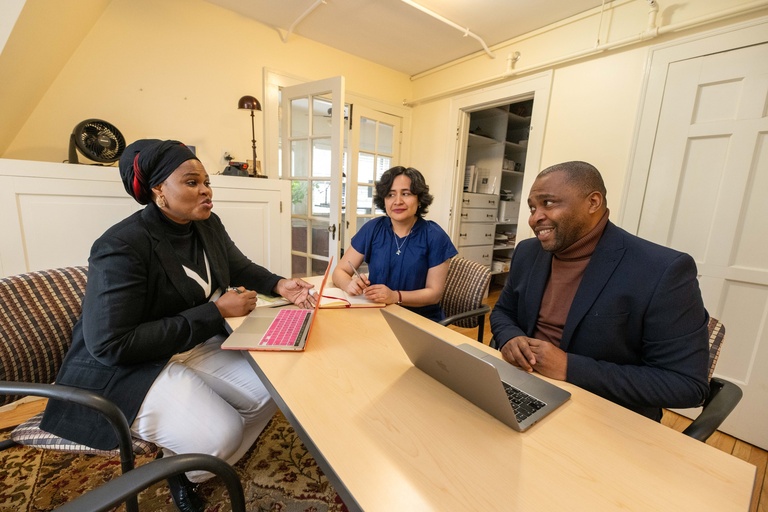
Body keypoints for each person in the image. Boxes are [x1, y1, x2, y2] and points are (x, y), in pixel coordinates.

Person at [40, 139, 315, 512]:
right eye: (191, 182)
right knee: (222, 434)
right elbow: (110, 344)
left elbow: (238, 266)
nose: (205, 190)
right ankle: (187, 463)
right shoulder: (121, 245)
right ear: (158, 191)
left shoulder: (206, 224)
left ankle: (190, 467)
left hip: (188, 345)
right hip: (130, 366)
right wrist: (215, 312)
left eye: (206, 182)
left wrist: (280, 284)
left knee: (272, 387)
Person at [490, 161, 710, 421]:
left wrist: (570, 368)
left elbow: (685, 385)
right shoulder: (528, 253)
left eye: (548, 203)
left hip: (603, 413)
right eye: (532, 207)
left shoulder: (662, 270)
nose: (534, 217)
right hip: (523, 387)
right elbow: (504, 311)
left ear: (593, 202)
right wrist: (510, 337)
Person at [332, 166, 457, 321]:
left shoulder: (434, 236)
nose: (398, 201)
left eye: (406, 194)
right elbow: (339, 271)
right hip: (377, 313)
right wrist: (349, 284)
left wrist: (395, 296)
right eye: (391, 195)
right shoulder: (373, 228)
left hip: (419, 321)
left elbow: (434, 294)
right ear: (384, 201)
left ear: (419, 200)